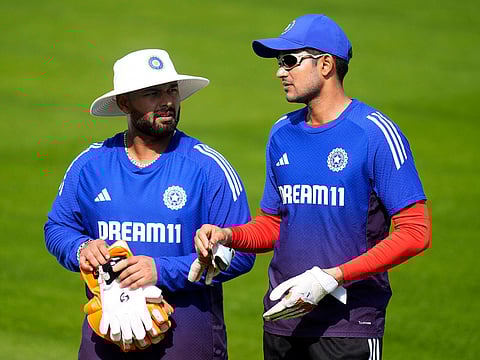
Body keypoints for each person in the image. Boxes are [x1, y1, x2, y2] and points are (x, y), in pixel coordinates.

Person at [193, 14, 432, 360]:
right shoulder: (281, 133)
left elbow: (416, 232)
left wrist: (333, 277)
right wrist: (227, 236)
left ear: (325, 65)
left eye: (290, 61)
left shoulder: (374, 134)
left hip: (349, 326)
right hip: (282, 320)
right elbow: (274, 225)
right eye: (278, 62)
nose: (279, 72)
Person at [44, 48, 255, 359]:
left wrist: (161, 269)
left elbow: (241, 253)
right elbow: (58, 227)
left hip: (185, 343)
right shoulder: (90, 165)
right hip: (106, 339)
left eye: (172, 90)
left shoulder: (208, 168)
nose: (167, 101)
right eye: (152, 93)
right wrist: (80, 249)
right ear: (124, 102)